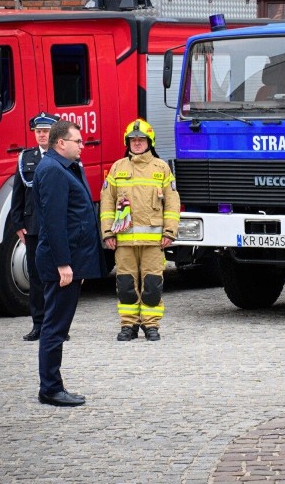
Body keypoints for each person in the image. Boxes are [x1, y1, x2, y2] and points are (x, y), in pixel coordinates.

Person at [33, 120, 105, 406]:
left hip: (72, 259)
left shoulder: (66, 167)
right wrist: (64, 264)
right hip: (59, 261)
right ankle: (50, 388)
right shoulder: (52, 170)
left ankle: (52, 385)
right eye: (77, 141)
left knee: (59, 326)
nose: (82, 146)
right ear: (61, 143)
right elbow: (53, 222)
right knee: (55, 327)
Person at [100, 119, 180, 342]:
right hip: (124, 242)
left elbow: (172, 203)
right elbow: (107, 202)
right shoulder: (118, 168)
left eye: (141, 140)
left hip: (154, 242)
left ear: (149, 142)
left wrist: (169, 232)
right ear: (127, 142)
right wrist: (108, 233)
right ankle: (128, 326)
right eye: (133, 140)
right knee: (125, 285)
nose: (136, 143)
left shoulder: (161, 168)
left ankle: (151, 326)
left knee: (152, 286)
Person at [8, 112, 58, 341]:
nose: (42, 135)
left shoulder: (63, 157)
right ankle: (38, 324)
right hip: (34, 227)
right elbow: (17, 194)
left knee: (58, 277)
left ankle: (57, 325)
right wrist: (18, 224)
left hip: (57, 228)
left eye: (46, 131)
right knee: (36, 278)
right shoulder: (26, 158)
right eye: (38, 132)